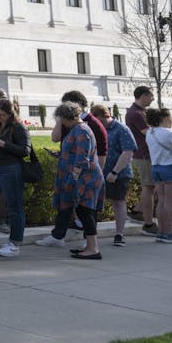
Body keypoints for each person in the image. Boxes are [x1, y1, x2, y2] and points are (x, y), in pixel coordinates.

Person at [35, 102, 104, 259]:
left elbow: (82, 159)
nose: (61, 123)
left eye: (61, 119)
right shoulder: (78, 129)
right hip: (83, 178)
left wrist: (73, 180)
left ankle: (93, 249)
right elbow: (76, 153)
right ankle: (90, 247)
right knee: (83, 212)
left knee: (86, 212)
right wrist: (61, 155)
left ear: (66, 118)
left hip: (86, 180)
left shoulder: (81, 131)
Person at [0, 99, 31, 258]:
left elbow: (25, 150)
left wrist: (4, 144)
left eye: (2, 115)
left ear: (10, 114)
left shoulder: (18, 127)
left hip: (11, 169)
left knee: (15, 207)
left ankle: (15, 243)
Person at [93, 104, 135, 248]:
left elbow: (128, 152)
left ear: (105, 116)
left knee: (118, 202)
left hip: (119, 173)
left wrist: (115, 172)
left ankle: (119, 234)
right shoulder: (97, 129)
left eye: (98, 119)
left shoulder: (121, 129)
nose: (97, 123)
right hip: (100, 172)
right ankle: (91, 235)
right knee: (93, 203)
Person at [144, 106, 172, 245]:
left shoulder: (150, 133)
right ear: (165, 118)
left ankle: (161, 232)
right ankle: (168, 233)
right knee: (170, 203)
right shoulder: (170, 133)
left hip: (156, 168)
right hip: (169, 168)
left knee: (161, 202)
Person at [126, 86, 157, 235]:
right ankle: (148, 224)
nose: (153, 98)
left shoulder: (140, 111)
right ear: (143, 96)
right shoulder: (136, 113)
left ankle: (137, 211)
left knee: (155, 186)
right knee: (149, 186)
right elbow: (148, 133)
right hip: (144, 154)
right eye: (151, 96)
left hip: (147, 154)